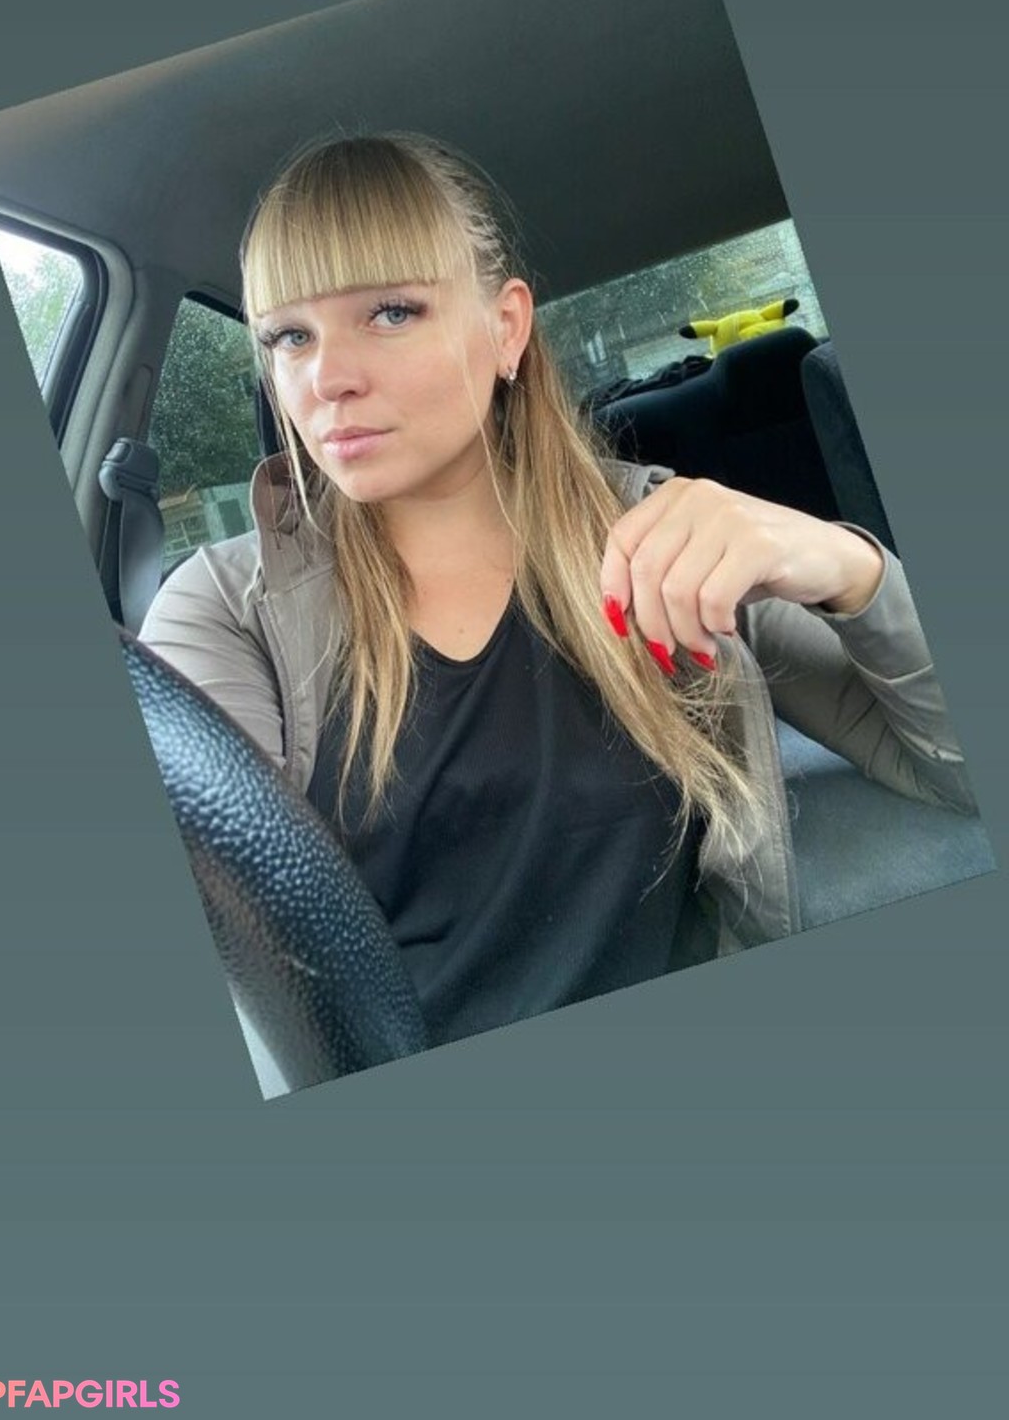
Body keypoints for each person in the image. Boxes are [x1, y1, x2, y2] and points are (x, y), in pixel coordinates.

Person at [141, 131, 973, 1048]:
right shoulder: (226, 610)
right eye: (289, 335)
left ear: (506, 328)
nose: (325, 377)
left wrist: (847, 565)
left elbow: (953, 766)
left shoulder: (663, 541)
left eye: (390, 311)